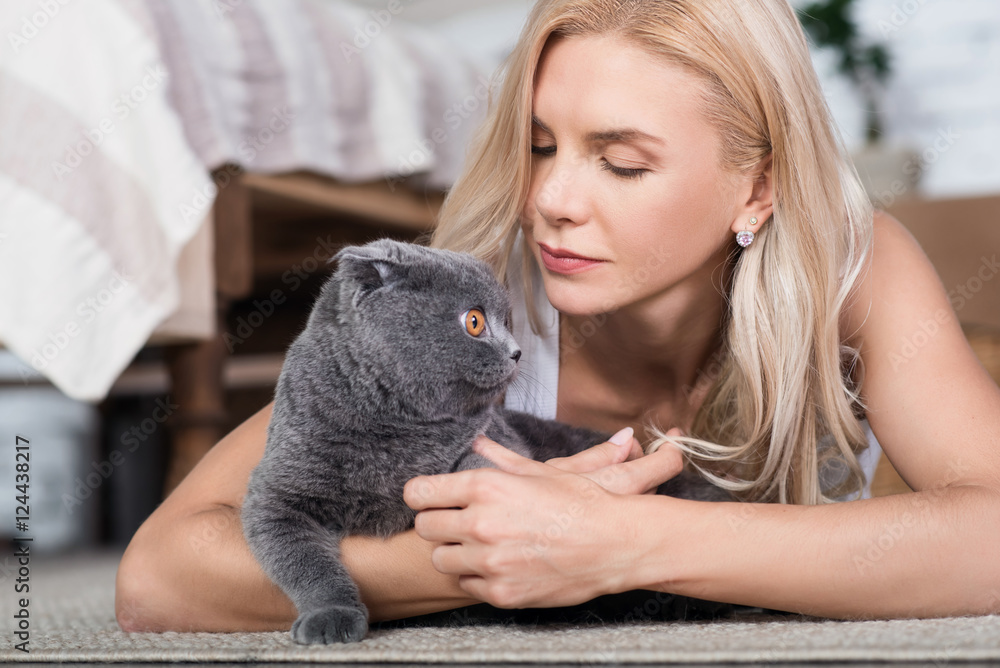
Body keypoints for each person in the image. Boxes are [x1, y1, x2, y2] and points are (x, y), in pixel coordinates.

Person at [116, 0, 1000, 631]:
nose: (550, 200)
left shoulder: (852, 263)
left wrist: (634, 542)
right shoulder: (469, 303)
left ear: (758, 186)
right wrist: (478, 561)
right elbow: (159, 578)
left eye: (620, 163)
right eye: (539, 147)